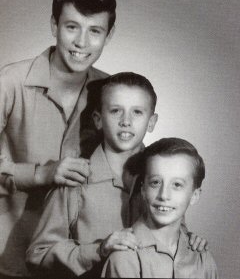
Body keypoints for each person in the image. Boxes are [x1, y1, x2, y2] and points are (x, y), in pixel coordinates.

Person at [0, 0, 116, 278]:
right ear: (54, 25)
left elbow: (134, 170)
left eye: (95, 31)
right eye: (72, 27)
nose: (81, 42)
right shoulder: (9, 82)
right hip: (7, 260)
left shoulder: (111, 91)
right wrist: (40, 174)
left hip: (79, 264)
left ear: (109, 35)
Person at [26, 72, 159, 278]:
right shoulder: (74, 182)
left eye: (137, 112)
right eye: (115, 111)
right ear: (98, 119)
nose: (126, 121)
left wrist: (189, 243)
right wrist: (99, 249)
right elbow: (38, 255)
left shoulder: (161, 181)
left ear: (151, 122)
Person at [102, 137, 218, 278]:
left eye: (177, 185)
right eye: (155, 182)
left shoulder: (203, 258)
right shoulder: (125, 258)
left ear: (194, 195)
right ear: (143, 190)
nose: (164, 195)